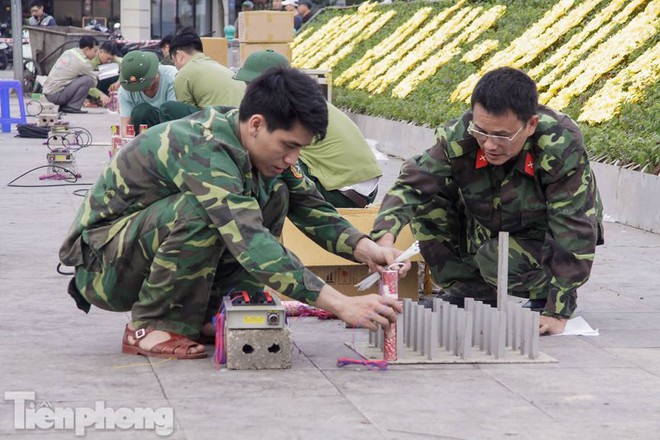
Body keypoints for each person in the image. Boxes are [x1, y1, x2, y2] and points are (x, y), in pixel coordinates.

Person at [59, 67, 406, 360]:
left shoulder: (260, 152)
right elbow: (252, 241)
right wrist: (341, 304)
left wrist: (365, 248)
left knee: (274, 194)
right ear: (255, 124)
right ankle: (150, 327)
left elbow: (311, 207)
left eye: (299, 149)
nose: (292, 158)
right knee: (201, 213)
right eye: (289, 145)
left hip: (136, 253)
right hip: (104, 268)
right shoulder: (205, 148)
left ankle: (212, 311)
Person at [372, 67, 604, 336]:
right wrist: (384, 237)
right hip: (491, 216)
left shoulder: (559, 144)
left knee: (494, 260)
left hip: (543, 229)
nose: (490, 145)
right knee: (431, 193)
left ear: (530, 125)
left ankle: (544, 291)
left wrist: (558, 311)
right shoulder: (461, 136)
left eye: (502, 136)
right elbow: (413, 183)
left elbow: (572, 228)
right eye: (482, 132)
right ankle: (469, 289)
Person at [234, 50, 382, 208]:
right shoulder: (306, 102)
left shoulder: (283, 110)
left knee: (270, 159)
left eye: (249, 86)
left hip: (339, 192)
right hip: (364, 190)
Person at [159, 30, 245, 121]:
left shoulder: (184, 73)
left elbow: (184, 121)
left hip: (219, 122)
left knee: (167, 108)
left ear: (179, 55)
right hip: (241, 121)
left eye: (173, 60)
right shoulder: (221, 68)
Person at [117, 50, 177, 134]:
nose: (141, 90)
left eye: (144, 86)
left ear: (155, 75)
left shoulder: (172, 77)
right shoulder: (125, 90)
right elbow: (126, 126)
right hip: (142, 132)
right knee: (141, 112)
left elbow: (175, 116)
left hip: (170, 127)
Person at [43, 36, 99, 114]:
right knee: (88, 80)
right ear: (86, 49)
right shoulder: (83, 63)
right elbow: (94, 82)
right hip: (56, 95)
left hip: (49, 91)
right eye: (95, 51)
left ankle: (65, 106)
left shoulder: (69, 51)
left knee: (76, 77)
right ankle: (72, 107)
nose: (96, 54)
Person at [87, 40, 122, 108]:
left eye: (111, 59)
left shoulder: (114, 60)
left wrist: (117, 83)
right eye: (108, 58)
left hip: (104, 85)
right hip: (89, 87)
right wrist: (100, 95)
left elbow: (124, 72)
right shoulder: (91, 61)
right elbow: (85, 84)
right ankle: (89, 100)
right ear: (101, 52)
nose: (109, 61)